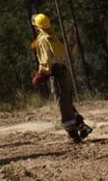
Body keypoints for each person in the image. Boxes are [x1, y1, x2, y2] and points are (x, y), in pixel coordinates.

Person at [31, 13, 93, 142]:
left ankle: (73, 134)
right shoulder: (54, 37)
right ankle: (82, 126)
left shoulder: (42, 40)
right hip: (64, 72)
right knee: (67, 102)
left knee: (63, 104)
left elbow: (46, 61)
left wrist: (40, 74)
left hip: (55, 73)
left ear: (37, 27)